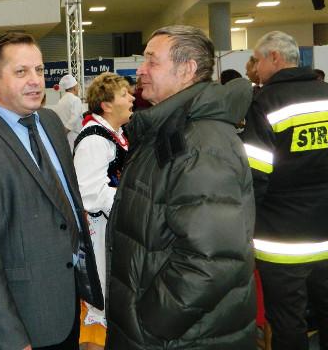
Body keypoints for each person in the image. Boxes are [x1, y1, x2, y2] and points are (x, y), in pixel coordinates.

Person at [0, 31, 103, 350]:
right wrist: (10, 338)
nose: (35, 80)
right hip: (20, 321)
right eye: (21, 72)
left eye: (39, 70)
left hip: (66, 305)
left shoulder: (50, 122)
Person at [106, 25, 256, 350]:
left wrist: (149, 325)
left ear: (187, 70)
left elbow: (212, 259)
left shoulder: (201, 143)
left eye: (152, 61)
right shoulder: (170, 130)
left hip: (181, 337)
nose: (141, 71)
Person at [242, 31, 328, 350]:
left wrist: (245, 226)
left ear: (275, 57)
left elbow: (255, 176)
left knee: (287, 320)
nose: (255, 67)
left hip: (281, 239)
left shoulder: (265, 103)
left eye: (257, 60)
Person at [73, 73, 134, 350]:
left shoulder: (115, 135)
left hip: (112, 231)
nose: (131, 98)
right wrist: (129, 201)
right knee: (100, 306)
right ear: (106, 105)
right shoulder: (94, 140)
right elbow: (87, 192)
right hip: (99, 235)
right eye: (124, 94)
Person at [54, 74, 84, 149]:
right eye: (77, 87)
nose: (78, 89)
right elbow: (74, 118)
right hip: (74, 136)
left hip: (63, 136)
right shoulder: (75, 100)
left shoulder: (60, 101)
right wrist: (65, 131)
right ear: (74, 88)